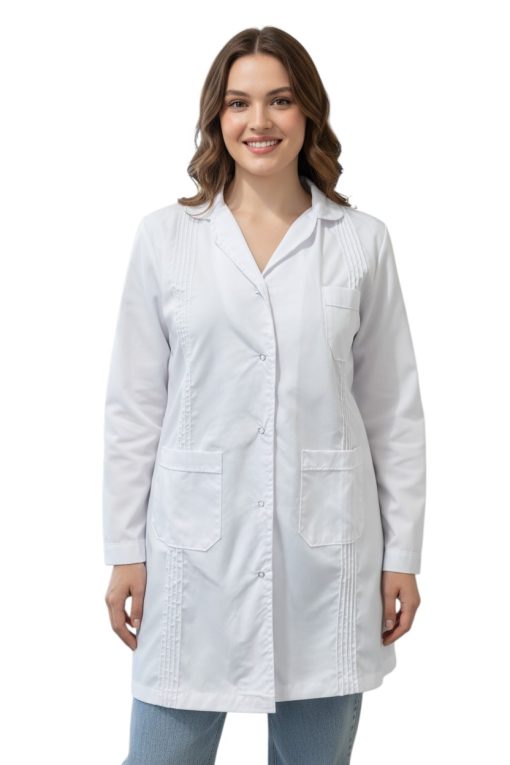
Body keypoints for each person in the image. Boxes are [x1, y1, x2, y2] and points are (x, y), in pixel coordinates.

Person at [102, 25, 426, 765]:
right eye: (239, 102)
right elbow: (133, 406)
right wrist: (125, 549)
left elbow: (393, 413)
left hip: (326, 557)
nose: (260, 121)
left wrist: (402, 555)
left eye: (280, 100)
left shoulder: (360, 242)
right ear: (216, 117)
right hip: (191, 555)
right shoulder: (166, 238)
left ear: (308, 111)